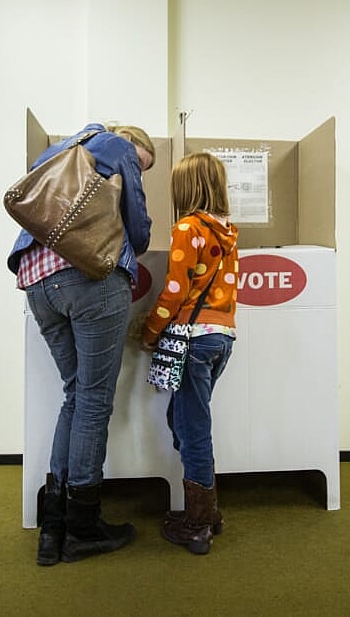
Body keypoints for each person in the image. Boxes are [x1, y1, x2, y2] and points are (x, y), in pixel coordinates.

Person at [8, 122, 156, 566]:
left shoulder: (58, 148)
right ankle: (84, 527)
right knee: (94, 401)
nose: (138, 171)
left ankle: (54, 526)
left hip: (36, 282)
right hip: (90, 278)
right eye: (142, 165)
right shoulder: (118, 146)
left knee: (74, 396)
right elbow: (140, 231)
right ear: (134, 143)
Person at [140, 152, 239, 555]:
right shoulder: (228, 230)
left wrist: (149, 331)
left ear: (186, 187)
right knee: (183, 420)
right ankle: (207, 509)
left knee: (193, 429)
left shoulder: (188, 228)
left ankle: (198, 524)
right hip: (222, 338)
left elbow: (175, 291)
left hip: (194, 340)